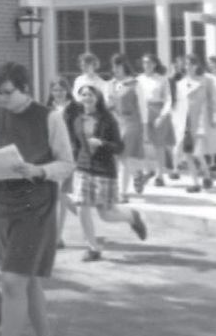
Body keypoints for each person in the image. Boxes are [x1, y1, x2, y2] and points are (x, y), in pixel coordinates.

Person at [0, 62, 74, 336]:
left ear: (25, 88)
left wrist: (40, 171)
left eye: (8, 92)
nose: (2, 99)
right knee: (27, 279)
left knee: (11, 282)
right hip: (4, 207)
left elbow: (67, 163)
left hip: (36, 208)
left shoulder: (50, 118)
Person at [67, 84, 149, 261]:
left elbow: (119, 147)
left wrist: (102, 143)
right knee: (81, 207)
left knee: (106, 214)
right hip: (83, 168)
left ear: (97, 97)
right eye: (83, 95)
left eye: (90, 94)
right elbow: (75, 145)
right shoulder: (77, 119)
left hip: (103, 170)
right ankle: (93, 248)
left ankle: (132, 217)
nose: (87, 98)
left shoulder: (107, 119)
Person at [178, 54, 216, 193]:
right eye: (186, 64)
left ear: (197, 65)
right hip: (186, 121)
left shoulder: (207, 80)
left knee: (198, 152)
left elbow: (214, 100)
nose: (188, 67)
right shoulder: (181, 83)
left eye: (191, 64)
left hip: (202, 121)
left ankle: (207, 175)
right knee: (187, 153)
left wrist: (215, 117)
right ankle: (196, 182)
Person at [47, 79, 79, 248]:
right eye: (55, 90)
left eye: (61, 90)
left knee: (61, 194)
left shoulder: (75, 108)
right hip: (50, 156)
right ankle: (81, 212)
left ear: (67, 90)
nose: (58, 93)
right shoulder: (47, 109)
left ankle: (57, 237)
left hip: (69, 155)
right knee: (59, 195)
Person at [109, 54, 146, 200]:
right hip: (116, 122)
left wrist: (145, 127)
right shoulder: (111, 84)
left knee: (123, 156)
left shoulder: (135, 84)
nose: (116, 69)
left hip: (132, 122)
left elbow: (143, 106)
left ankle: (123, 193)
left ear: (125, 66)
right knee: (118, 157)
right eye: (114, 66)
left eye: (118, 66)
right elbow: (108, 104)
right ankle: (137, 174)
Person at [137, 54, 174, 186]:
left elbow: (168, 99)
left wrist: (162, 116)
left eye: (150, 62)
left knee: (159, 145)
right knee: (142, 143)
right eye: (145, 62)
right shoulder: (138, 79)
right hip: (142, 111)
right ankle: (148, 170)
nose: (147, 65)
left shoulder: (162, 79)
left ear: (155, 64)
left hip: (157, 111)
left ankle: (160, 175)